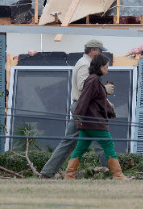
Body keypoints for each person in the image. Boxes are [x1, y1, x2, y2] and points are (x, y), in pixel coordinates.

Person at [39, 39, 109, 178]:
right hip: (85, 108)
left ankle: (47, 173)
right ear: (92, 51)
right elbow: (84, 87)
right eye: (100, 50)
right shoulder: (85, 65)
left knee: (68, 142)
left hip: (82, 107)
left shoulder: (85, 63)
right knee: (101, 140)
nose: (101, 53)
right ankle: (113, 173)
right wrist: (104, 89)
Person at [64, 53, 128, 180]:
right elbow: (84, 99)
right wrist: (78, 116)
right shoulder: (93, 80)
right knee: (108, 144)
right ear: (99, 66)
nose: (107, 69)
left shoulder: (95, 80)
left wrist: (111, 112)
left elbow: (99, 101)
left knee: (81, 147)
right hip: (94, 121)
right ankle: (118, 174)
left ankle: (69, 175)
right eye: (106, 67)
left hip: (89, 122)